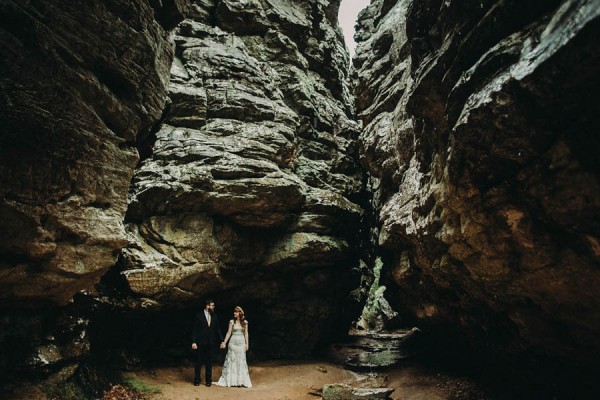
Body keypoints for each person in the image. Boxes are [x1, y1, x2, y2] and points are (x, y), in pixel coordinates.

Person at [215, 306, 252, 387]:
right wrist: (224, 342)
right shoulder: (231, 322)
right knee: (232, 360)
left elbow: (246, 333)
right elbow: (228, 333)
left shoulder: (245, 322)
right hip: (233, 342)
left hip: (241, 343)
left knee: (241, 361)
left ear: (240, 313)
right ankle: (231, 381)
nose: (234, 313)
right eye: (234, 312)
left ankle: (240, 381)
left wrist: (247, 344)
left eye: (236, 312)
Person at [191, 299, 223, 387]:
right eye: (212, 305)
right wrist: (193, 342)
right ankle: (197, 379)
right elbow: (194, 330)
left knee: (209, 362)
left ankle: (208, 380)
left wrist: (222, 340)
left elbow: (218, 330)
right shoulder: (199, 316)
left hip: (211, 343)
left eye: (213, 305)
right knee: (198, 361)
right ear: (207, 306)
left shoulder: (215, 316)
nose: (213, 307)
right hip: (200, 342)